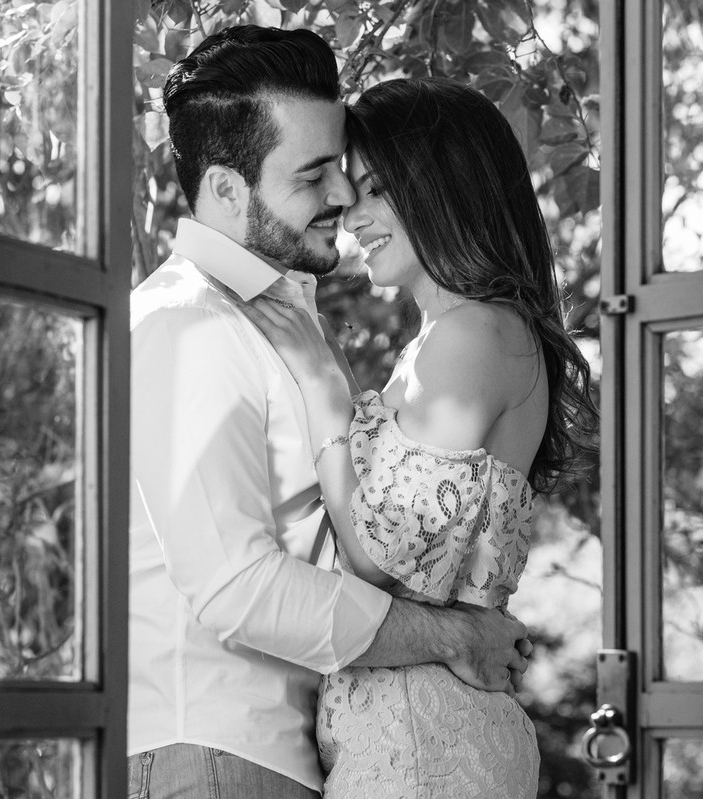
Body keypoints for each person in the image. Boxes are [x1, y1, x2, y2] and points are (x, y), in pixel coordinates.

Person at [128, 28, 531, 799]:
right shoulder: (187, 325)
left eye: (342, 168)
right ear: (227, 191)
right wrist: (453, 637)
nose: (344, 196)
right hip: (212, 755)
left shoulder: (277, 321)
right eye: (315, 174)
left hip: (292, 757)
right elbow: (236, 586)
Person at [239, 77, 598, 798]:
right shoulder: (455, 337)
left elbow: (378, 557)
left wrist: (320, 383)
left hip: (422, 744)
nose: (351, 215)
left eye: (376, 189)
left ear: (445, 187)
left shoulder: (473, 334)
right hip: (421, 732)